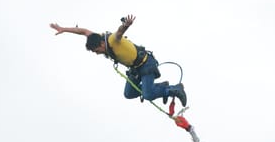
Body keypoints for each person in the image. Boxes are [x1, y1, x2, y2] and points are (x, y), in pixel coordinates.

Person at [49, 14, 187, 107]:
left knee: (148, 95)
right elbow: (84, 31)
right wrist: (63, 29)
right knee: (129, 93)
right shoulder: (97, 37)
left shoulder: (111, 40)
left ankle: (173, 89)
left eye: (97, 51)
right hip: (135, 69)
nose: (97, 54)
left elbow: (120, 32)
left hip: (145, 64)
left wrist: (126, 25)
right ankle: (161, 87)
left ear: (101, 45)